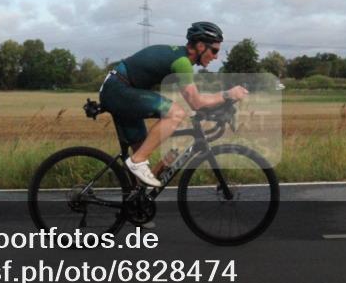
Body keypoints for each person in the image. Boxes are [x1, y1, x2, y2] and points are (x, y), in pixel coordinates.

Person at [99, 21, 249, 187]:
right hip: (119, 90)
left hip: (121, 90)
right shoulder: (182, 62)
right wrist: (228, 94)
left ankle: (137, 192)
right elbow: (196, 103)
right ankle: (137, 161)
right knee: (175, 114)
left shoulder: (180, 57)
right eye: (214, 50)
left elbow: (197, 97)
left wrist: (221, 103)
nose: (216, 57)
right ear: (200, 46)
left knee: (142, 152)